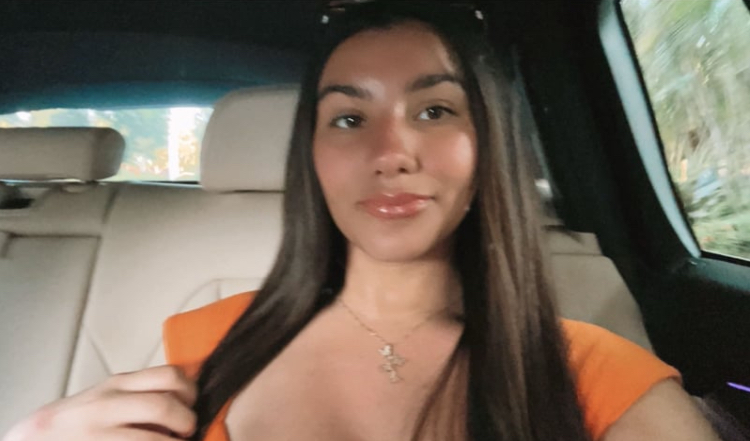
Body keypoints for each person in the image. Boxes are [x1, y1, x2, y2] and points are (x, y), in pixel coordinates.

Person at [3, 2, 721, 441]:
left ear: (488, 147)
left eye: (434, 110)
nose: (390, 153)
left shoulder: (598, 376)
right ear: (311, 156)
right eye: (349, 118)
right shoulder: (200, 345)